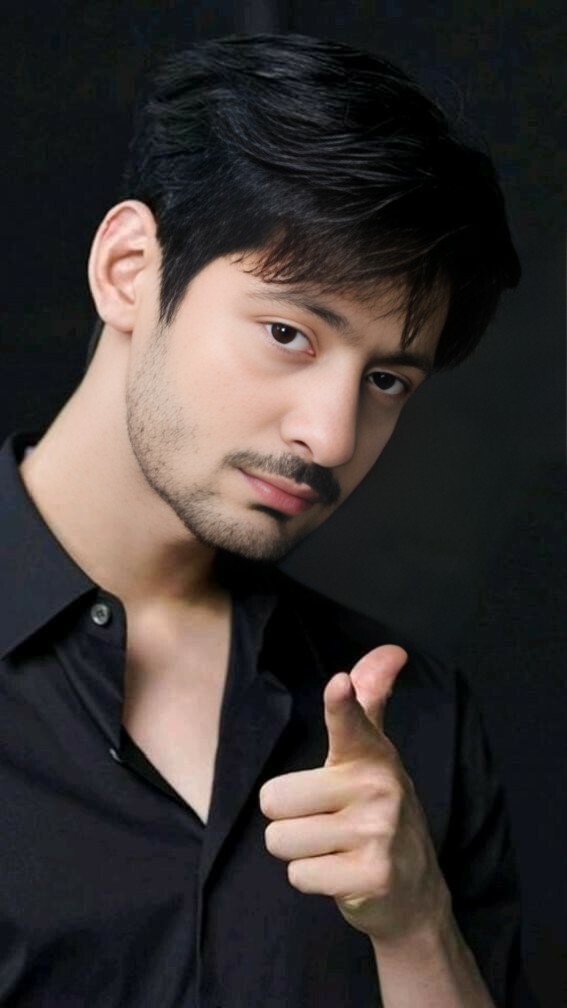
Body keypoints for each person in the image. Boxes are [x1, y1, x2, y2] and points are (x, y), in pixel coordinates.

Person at [0, 33, 528, 1008]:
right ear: (128, 270)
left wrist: (416, 926)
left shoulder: (415, 719)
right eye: (289, 333)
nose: (331, 436)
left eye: (385, 380)